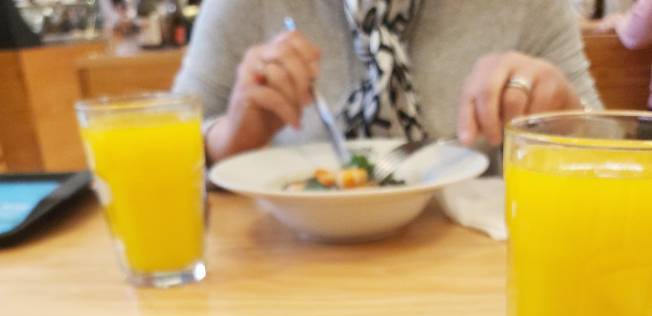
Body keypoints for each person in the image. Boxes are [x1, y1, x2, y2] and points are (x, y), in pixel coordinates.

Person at [173, 0, 600, 166]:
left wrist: (567, 123)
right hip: (283, 281)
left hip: (476, 284)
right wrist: (225, 139)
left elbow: (616, 151)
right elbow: (169, 143)